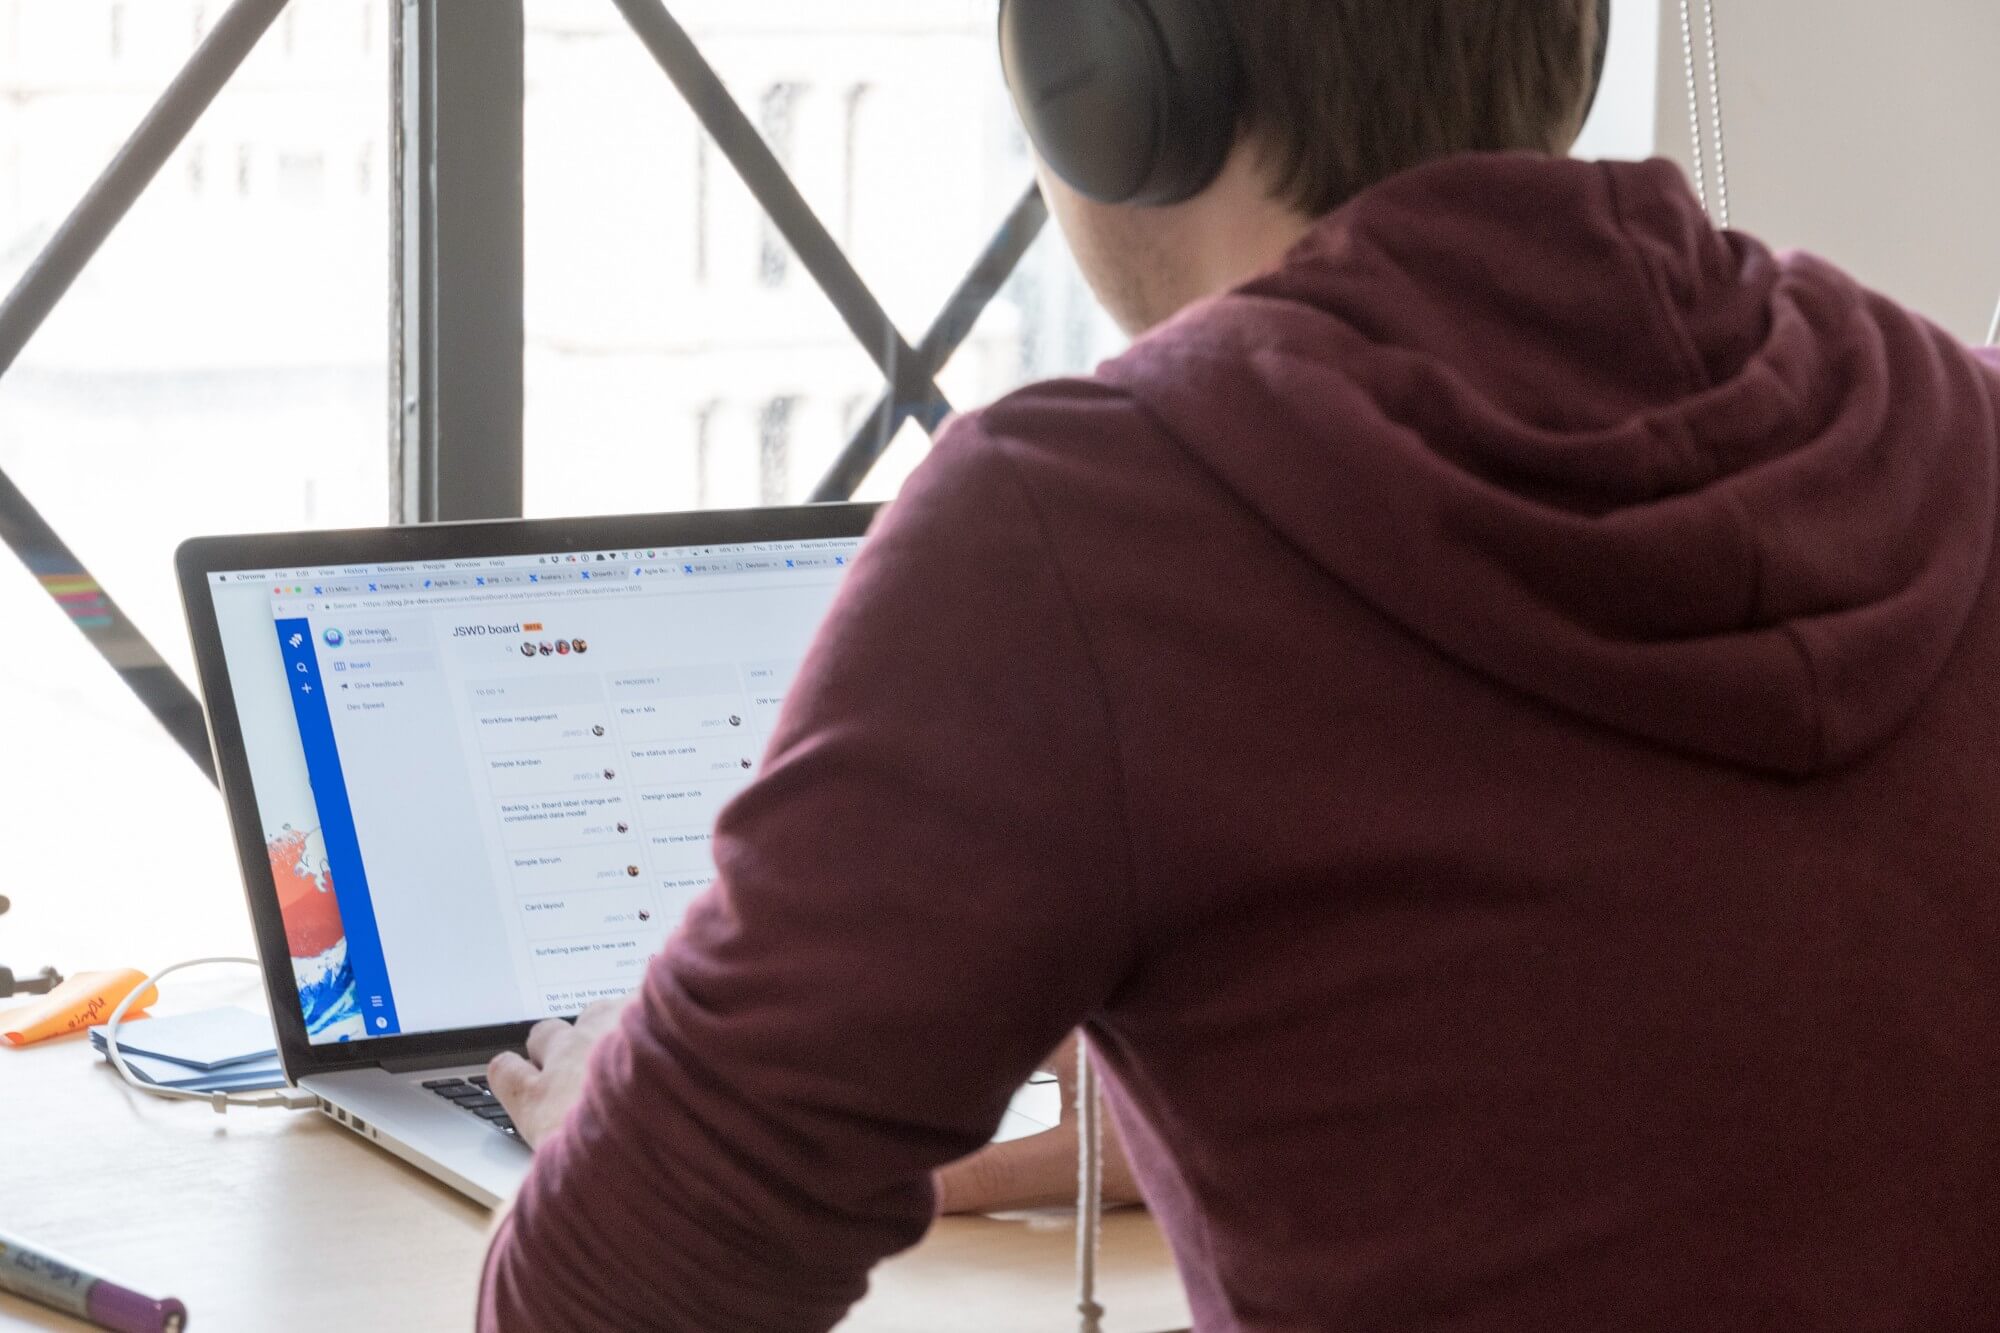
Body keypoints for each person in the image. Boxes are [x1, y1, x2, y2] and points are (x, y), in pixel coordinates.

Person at [481, 2, 2000, 1329]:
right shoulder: (1959, 424)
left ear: (1096, 65)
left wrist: (626, 1117)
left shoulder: (1085, 533)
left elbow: (602, 1305)